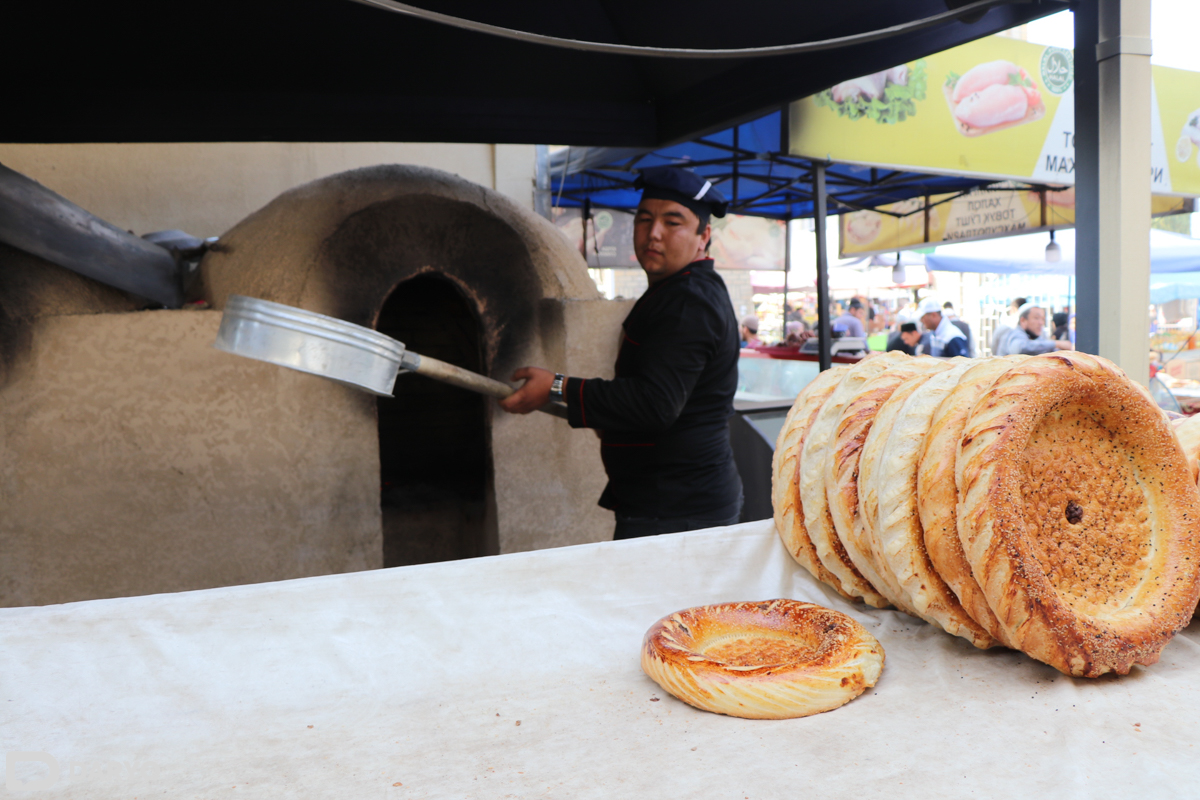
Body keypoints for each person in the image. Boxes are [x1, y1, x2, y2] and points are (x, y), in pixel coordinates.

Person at [498, 165, 742, 539]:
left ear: (703, 235)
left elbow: (654, 404)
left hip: (678, 513)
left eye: (672, 222)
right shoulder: (677, 290)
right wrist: (606, 415)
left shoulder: (688, 302)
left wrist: (556, 386)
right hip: (667, 502)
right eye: (644, 219)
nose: (653, 233)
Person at [995, 303, 1074, 355]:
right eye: (1036, 318)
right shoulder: (1015, 333)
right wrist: (1057, 343)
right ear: (1023, 321)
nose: (1041, 322)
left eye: (1042, 319)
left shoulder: (1038, 336)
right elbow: (1020, 348)